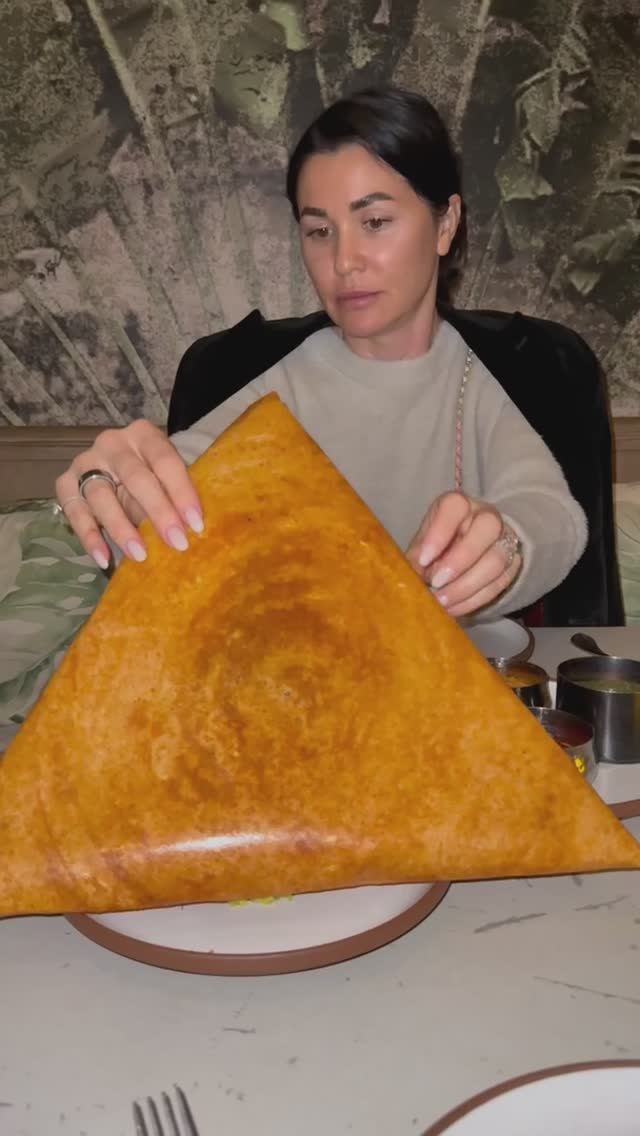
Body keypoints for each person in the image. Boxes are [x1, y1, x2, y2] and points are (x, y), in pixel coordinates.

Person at [55, 85, 586, 621]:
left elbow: (552, 514)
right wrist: (121, 491)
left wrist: (507, 546)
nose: (344, 260)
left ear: (445, 225)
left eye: (374, 222)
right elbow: (168, 506)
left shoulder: (499, 373)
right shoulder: (275, 389)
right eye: (318, 231)